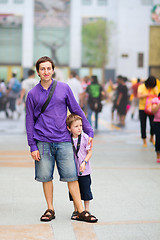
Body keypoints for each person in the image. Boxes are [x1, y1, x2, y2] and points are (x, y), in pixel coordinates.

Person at [26, 56, 97, 223]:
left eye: (48, 68)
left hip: (63, 139)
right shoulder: (32, 94)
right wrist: (32, 145)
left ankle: (80, 211)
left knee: (71, 175)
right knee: (46, 177)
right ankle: (50, 209)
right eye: (42, 69)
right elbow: (29, 120)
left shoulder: (64, 88)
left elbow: (76, 109)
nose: (46, 71)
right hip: (42, 141)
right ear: (38, 72)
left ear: (53, 70)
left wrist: (89, 130)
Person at [66, 114, 97, 221]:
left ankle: (86, 210)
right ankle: (76, 210)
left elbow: (90, 152)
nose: (79, 128)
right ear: (69, 128)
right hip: (73, 170)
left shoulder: (85, 137)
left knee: (86, 190)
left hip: (85, 170)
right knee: (75, 191)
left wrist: (84, 162)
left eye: (80, 125)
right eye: (76, 126)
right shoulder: (67, 139)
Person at [137, 76, 158, 147]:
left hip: (152, 109)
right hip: (142, 108)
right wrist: (147, 95)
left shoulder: (154, 88)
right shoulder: (141, 87)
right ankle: (144, 140)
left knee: (153, 124)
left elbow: (157, 96)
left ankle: (152, 137)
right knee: (143, 125)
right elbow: (139, 96)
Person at [151, 93, 160, 163]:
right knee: (158, 139)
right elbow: (153, 110)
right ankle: (158, 155)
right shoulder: (155, 100)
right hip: (157, 122)